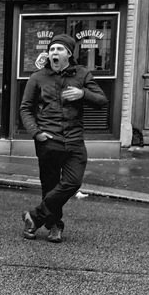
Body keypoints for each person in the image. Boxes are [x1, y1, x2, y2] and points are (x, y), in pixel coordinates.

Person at [19, 33, 108, 243]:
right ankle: (54, 226)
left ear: (69, 53)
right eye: (51, 50)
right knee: (50, 187)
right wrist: (36, 133)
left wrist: (82, 94)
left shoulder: (82, 75)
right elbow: (25, 108)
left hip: (74, 140)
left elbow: (102, 101)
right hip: (48, 140)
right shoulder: (37, 78)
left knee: (73, 182)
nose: (54, 53)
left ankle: (34, 216)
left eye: (59, 49)